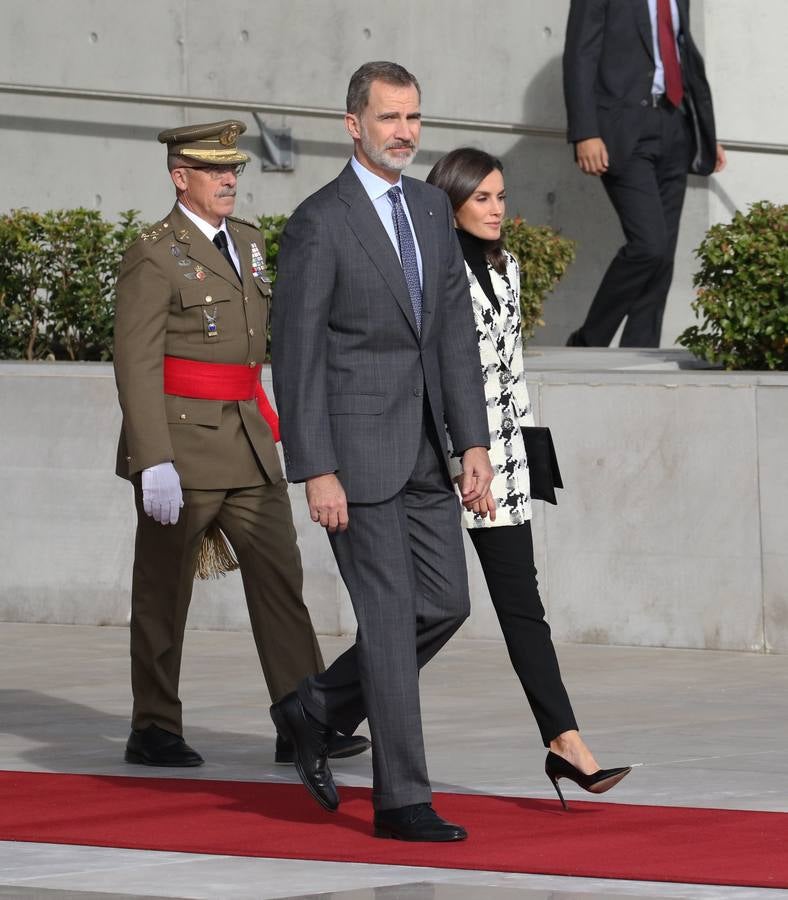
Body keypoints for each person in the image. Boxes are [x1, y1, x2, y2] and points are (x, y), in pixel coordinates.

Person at [270, 62, 494, 842]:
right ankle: (402, 799)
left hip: (431, 453)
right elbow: (295, 357)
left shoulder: (433, 209)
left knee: (445, 605)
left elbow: (454, 337)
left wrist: (473, 441)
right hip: (355, 458)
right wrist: (315, 467)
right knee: (392, 620)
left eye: (414, 119)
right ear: (353, 124)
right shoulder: (319, 221)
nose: (405, 132)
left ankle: (317, 706)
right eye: (391, 117)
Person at [113, 119, 369, 769]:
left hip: (249, 442)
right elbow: (135, 362)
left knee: (280, 581)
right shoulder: (153, 253)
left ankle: (302, 717)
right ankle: (154, 725)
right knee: (163, 591)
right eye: (214, 170)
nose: (230, 179)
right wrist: (154, 459)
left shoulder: (248, 242)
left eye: (234, 170)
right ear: (181, 178)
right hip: (184, 445)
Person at [426, 147, 631, 809]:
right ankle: (320, 708)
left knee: (523, 608)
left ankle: (565, 741)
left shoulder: (507, 269)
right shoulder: (432, 272)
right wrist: (464, 453)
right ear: (450, 201)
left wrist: (520, 452)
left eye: (500, 197)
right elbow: (436, 380)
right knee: (425, 612)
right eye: (481, 197)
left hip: (508, 460)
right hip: (446, 464)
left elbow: (508, 371)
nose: (495, 209)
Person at [563, 0, 726, 348]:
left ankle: (641, 349)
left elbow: (683, 57)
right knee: (649, 244)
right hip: (622, 131)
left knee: (663, 253)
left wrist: (705, 136)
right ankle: (589, 340)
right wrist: (585, 131)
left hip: (674, 125)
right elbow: (580, 53)